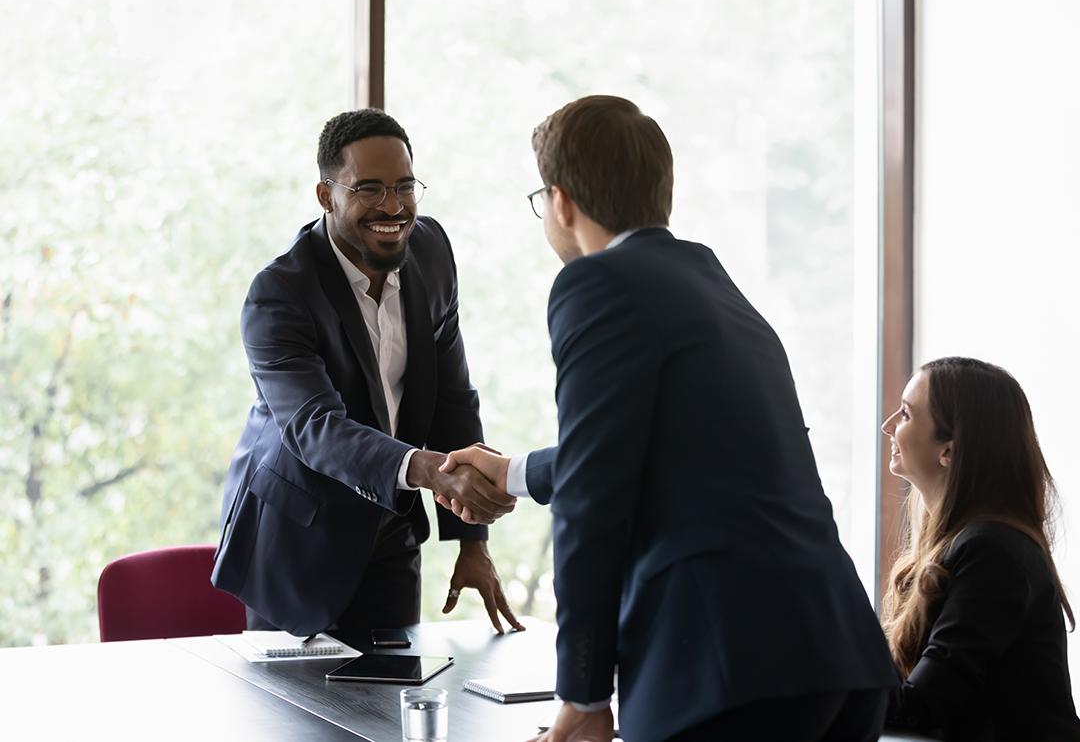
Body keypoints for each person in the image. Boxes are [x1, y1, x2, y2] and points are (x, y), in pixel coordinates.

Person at [441, 95, 897, 742]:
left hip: (725, 666)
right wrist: (511, 472)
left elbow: (596, 500)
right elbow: (662, 449)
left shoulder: (597, 285)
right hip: (836, 653)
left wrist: (584, 693)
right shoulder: (710, 282)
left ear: (563, 202)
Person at [210, 109, 522, 642]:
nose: (393, 207)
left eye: (405, 186)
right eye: (370, 189)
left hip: (391, 528)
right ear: (326, 194)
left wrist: (472, 541)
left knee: (395, 708)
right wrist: (428, 470)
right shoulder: (279, 295)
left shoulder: (432, 252)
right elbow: (315, 427)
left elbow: (452, 398)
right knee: (294, 722)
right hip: (296, 542)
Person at [879, 357, 1080, 741]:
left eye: (905, 415)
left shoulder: (992, 552)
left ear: (949, 452)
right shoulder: (970, 546)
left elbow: (919, 709)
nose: (888, 426)